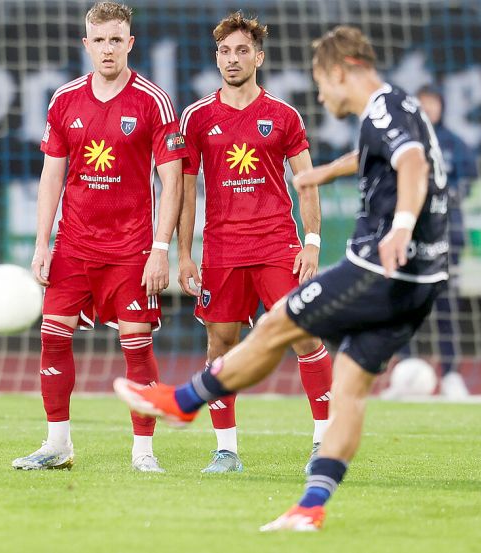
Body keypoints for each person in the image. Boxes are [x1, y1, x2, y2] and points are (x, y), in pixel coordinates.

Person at [115, 26, 449, 530]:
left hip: (377, 268)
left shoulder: (381, 107)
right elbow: (379, 154)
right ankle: (311, 506)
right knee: (351, 389)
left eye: (322, 82)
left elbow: (412, 162)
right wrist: (324, 174)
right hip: (422, 280)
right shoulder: (400, 108)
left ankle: (183, 403)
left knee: (281, 325)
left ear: (343, 71)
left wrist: (400, 225)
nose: (320, 94)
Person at [12, 1, 185, 473]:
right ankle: (57, 445)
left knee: (137, 347)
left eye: (116, 40)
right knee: (52, 339)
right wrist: (41, 244)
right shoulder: (64, 100)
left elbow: (174, 182)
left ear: (130, 44)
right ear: (85, 45)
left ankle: (144, 452)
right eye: (99, 40)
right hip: (73, 246)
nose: (107, 49)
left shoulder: (153, 101)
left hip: (131, 251)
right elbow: (51, 177)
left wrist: (160, 250)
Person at [177, 12, 332, 474]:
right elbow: (185, 190)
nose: (232, 59)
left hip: (275, 244)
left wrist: (313, 242)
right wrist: (184, 253)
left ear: (258, 57)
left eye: (242, 50)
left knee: (303, 335)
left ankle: (324, 442)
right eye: (224, 51)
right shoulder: (198, 117)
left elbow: (305, 181)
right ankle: (226, 451)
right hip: (222, 250)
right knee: (220, 347)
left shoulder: (282, 115)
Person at [388, 84, 477, 398]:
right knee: (405, 304)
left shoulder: (455, 144)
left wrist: (447, 193)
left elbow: (467, 181)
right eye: (422, 103)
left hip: (447, 237)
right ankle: (404, 372)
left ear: (442, 107)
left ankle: (451, 375)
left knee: (446, 306)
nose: (429, 109)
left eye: (434, 103)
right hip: (410, 234)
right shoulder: (404, 141)